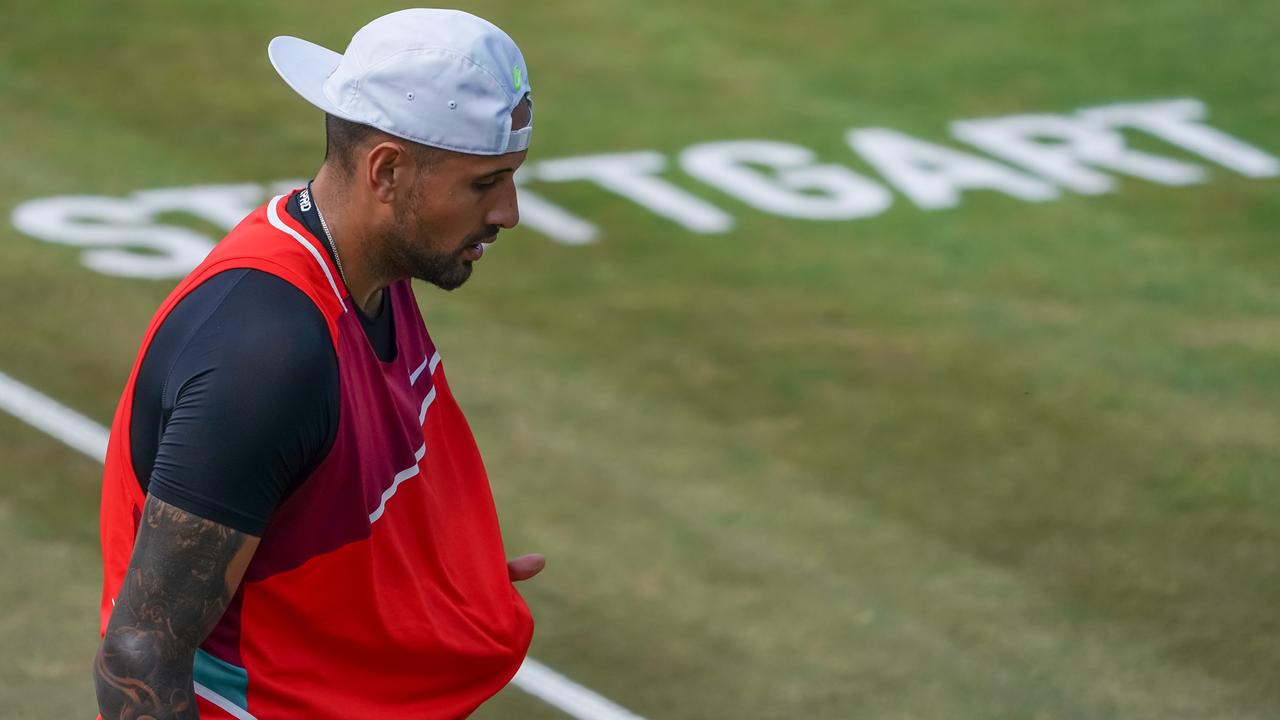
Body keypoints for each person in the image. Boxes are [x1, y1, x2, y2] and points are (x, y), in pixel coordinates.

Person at [92, 9, 543, 719]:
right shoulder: (266, 358)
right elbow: (140, 654)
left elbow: (322, 505)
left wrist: (432, 582)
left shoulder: (371, 277)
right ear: (387, 171)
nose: (509, 211)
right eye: (484, 184)